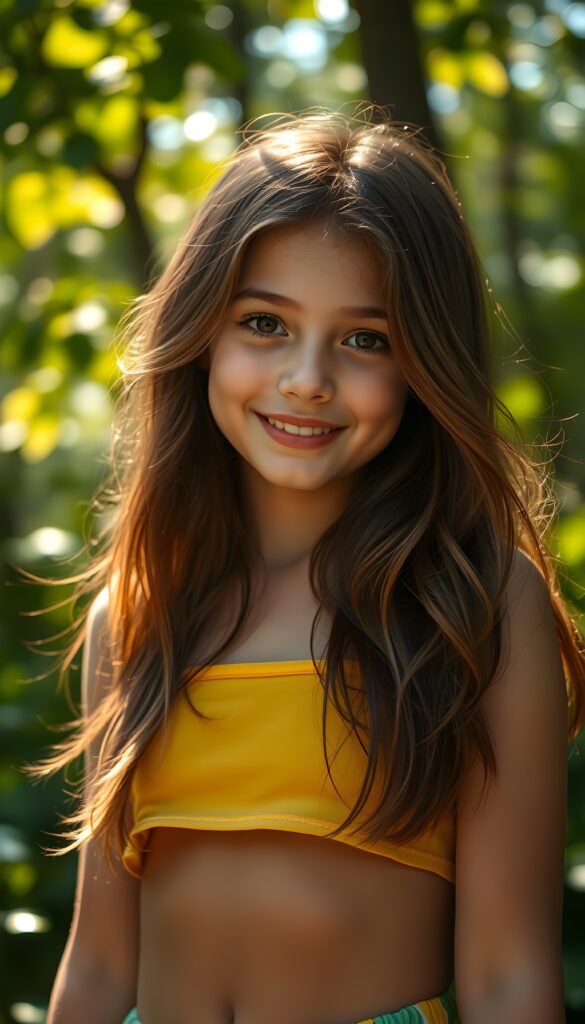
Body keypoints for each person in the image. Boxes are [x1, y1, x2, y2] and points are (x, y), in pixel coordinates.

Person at [30, 106, 584, 1024]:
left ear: (423, 364)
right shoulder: (135, 617)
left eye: (365, 338)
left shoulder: (474, 606)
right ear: (201, 331)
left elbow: (507, 978)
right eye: (264, 323)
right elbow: (95, 969)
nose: (307, 378)